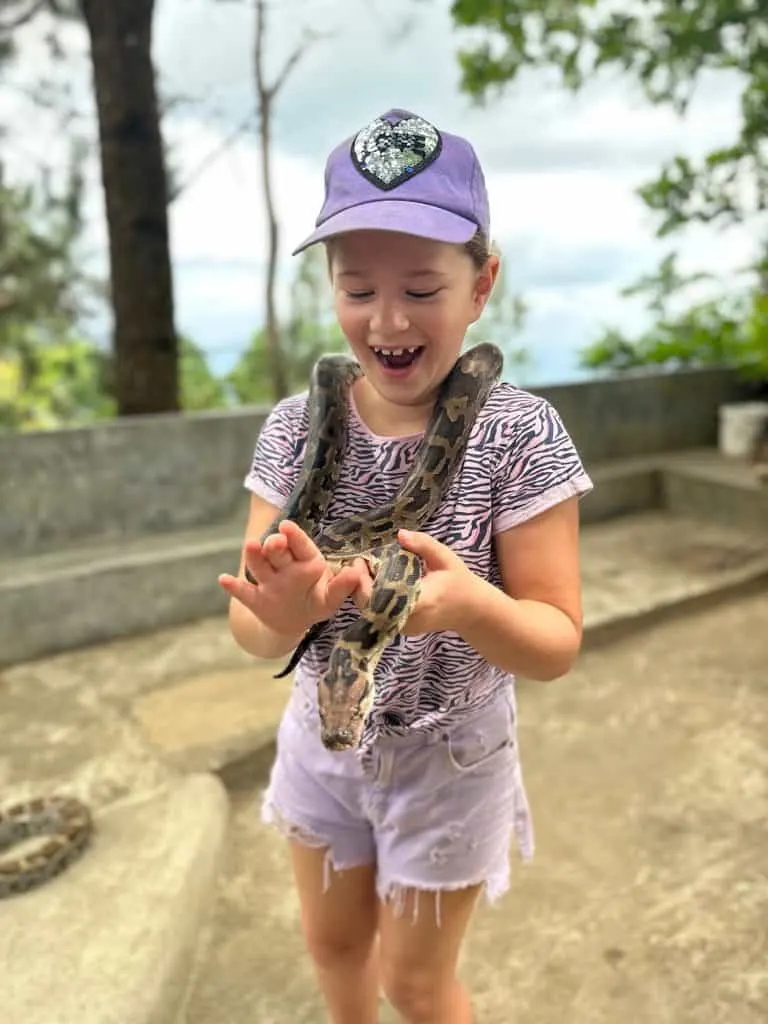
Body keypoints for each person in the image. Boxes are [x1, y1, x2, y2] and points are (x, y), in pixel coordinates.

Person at [218, 108, 593, 1024]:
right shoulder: (295, 428)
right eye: (358, 288)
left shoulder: (518, 435)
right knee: (333, 946)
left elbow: (555, 643)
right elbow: (247, 626)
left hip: (450, 760)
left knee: (415, 984)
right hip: (320, 747)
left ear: (481, 284)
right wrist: (292, 610)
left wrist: (473, 608)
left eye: (424, 288)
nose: (388, 318)